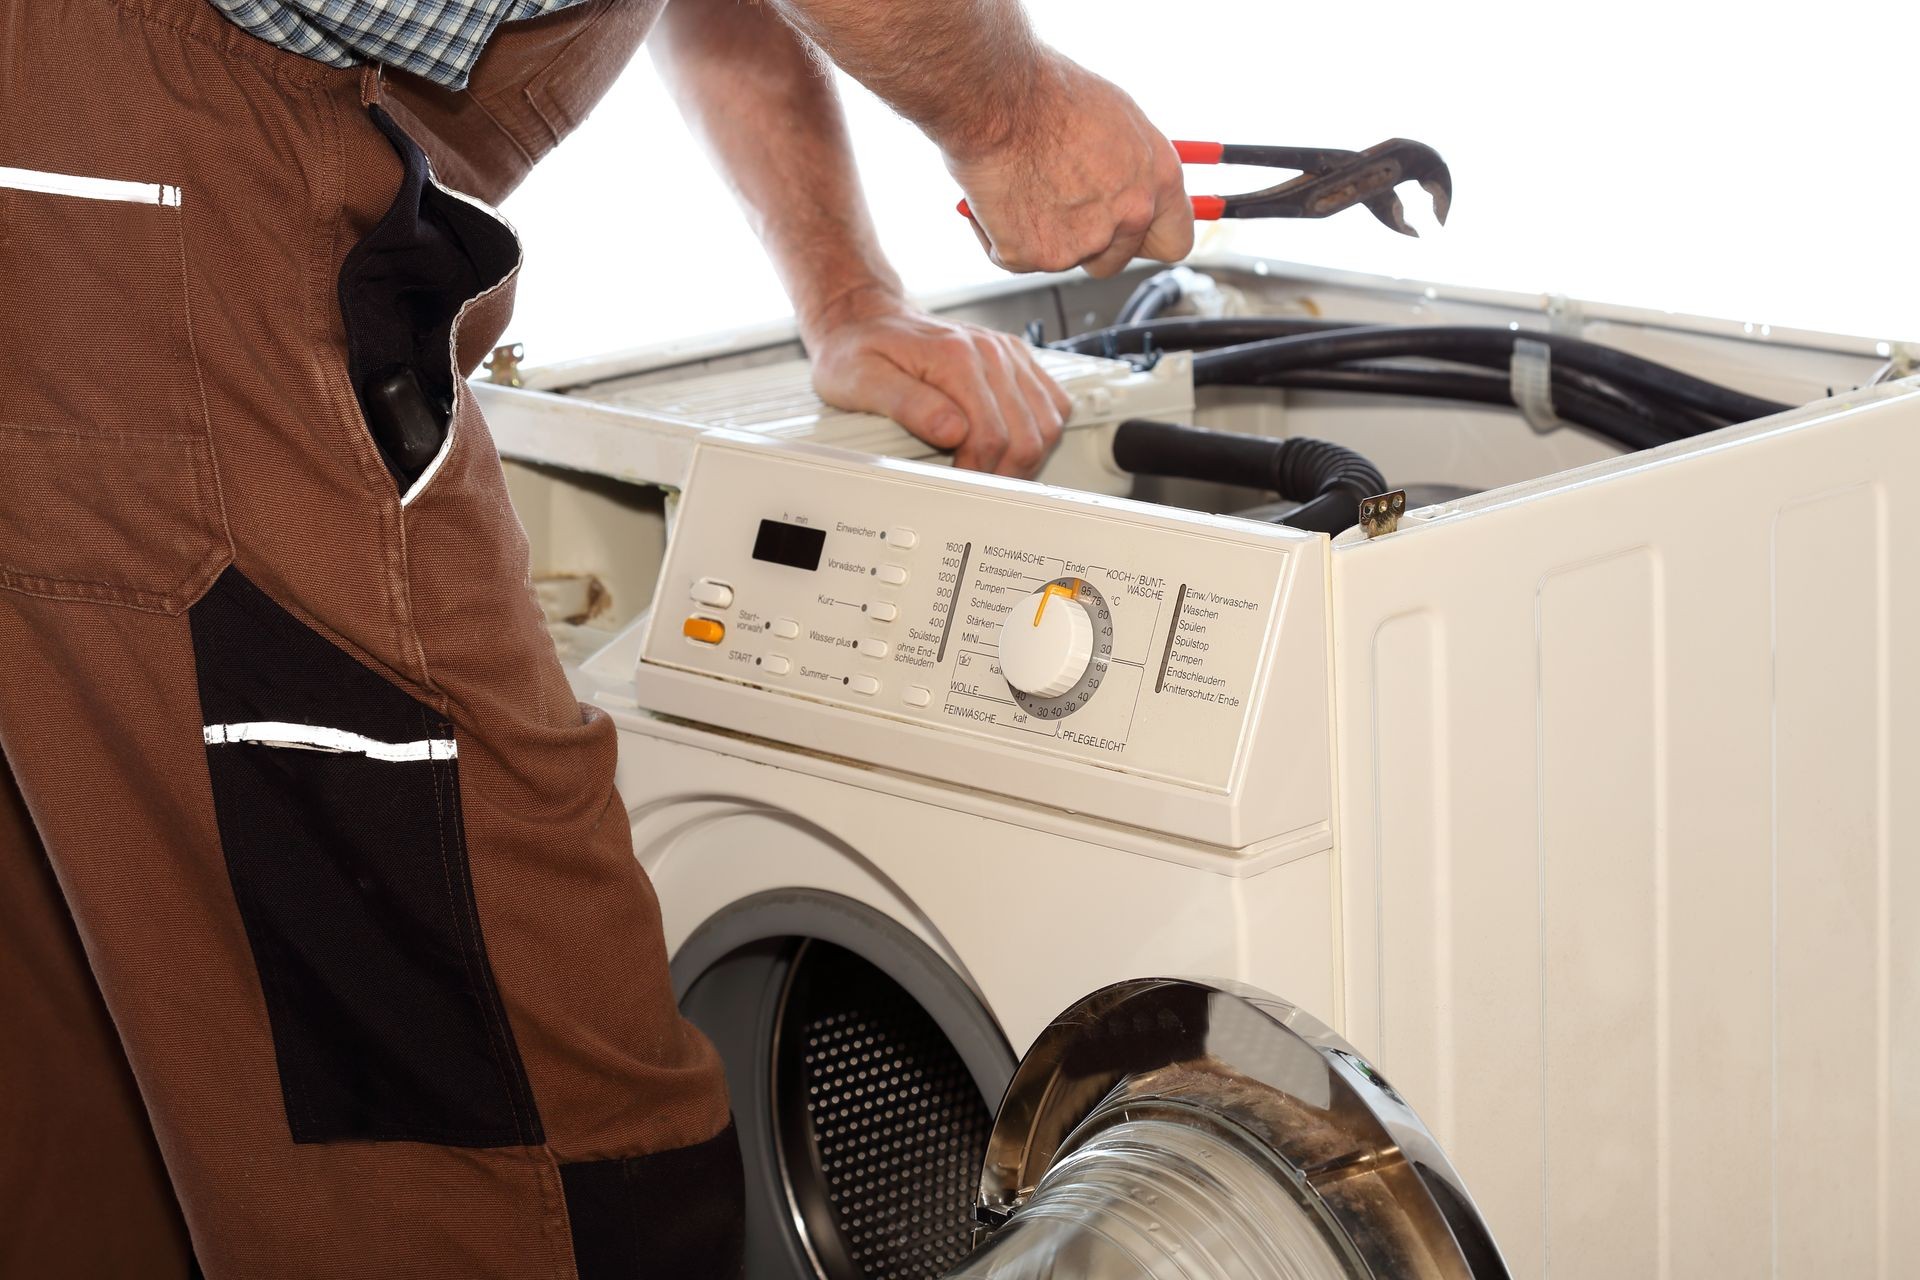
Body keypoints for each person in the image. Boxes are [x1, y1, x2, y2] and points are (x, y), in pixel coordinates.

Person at [0, 0, 1191, 1275]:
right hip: (161, 200)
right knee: (531, 1137)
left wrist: (849, 291)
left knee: (123, 1014)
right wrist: (1013, 113)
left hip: (113, 163)